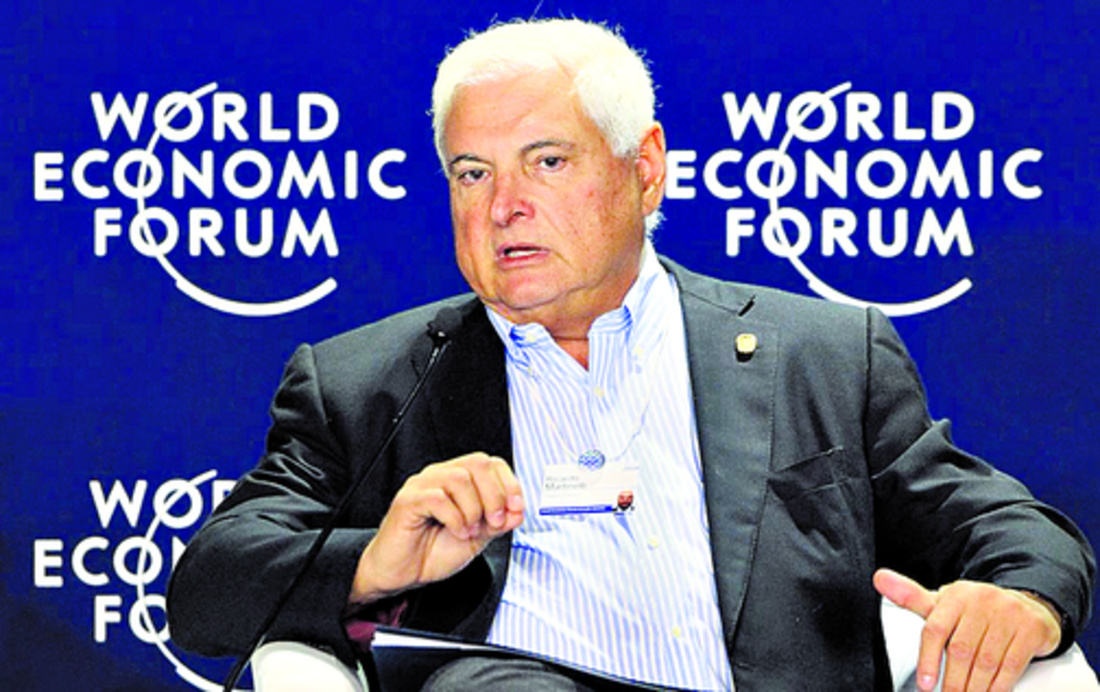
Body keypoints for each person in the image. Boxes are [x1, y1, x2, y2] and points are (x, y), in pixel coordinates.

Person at [167, 18, 1095, 692]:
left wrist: (1022, 601)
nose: (503, 206)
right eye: (471, 172)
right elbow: (208, 591)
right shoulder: (367, 383)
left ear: (644, 169)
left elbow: (1009, 530)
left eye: (548, 162)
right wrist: (379, 561)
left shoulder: (820, 355)